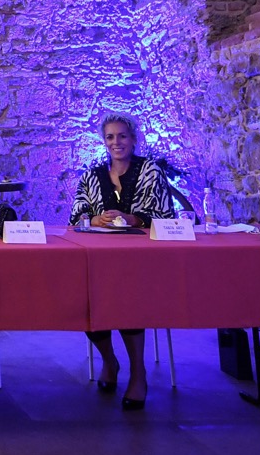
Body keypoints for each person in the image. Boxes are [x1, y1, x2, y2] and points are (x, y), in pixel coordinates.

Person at [69, 113, 182, 411]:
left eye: (122, 136)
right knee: (84, 302)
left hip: (139, 260)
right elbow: (76, 215)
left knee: (128, 302)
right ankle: (110, 361)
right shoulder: (92, 175)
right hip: (97, 256)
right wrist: (94, 219)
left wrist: (133, 218)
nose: (116, 142)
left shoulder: (150, 171)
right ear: (103, 141)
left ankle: (138, 373)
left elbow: (165, 215)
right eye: (110, 137)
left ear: (133, 139)